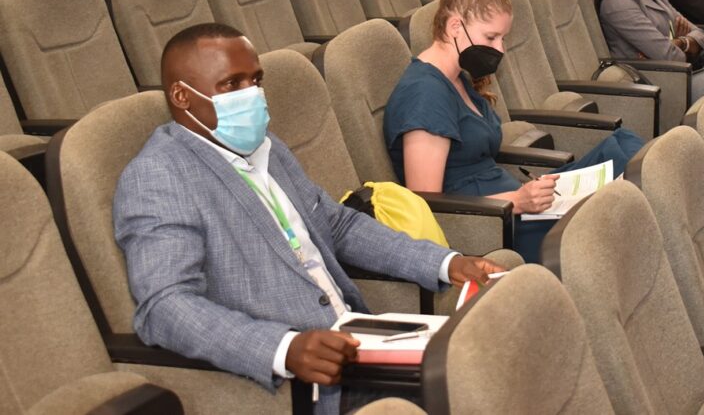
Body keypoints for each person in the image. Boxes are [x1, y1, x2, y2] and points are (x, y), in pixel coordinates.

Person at [114, 23, 503, 414]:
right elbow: (165, 306)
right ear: (181, 96)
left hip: (361, 342)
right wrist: (282, 348)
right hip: (299, 385)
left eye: (255, 80)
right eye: (232, 85)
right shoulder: (159, 175)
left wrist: (444, 262)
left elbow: (337, 224)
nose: (251, 95)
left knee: (498, 351)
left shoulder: (266, 147)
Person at [384, 0, 643, 263]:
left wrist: (525, 195)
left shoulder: (459, 77)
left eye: (502, 39)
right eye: (492, 37)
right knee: (611, 216)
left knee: (624, 148)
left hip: (517, 205)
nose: (501, 49)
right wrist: (517, 201)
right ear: (455, 27)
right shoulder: (425, 94)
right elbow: (426, 203)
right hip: (491, 225)